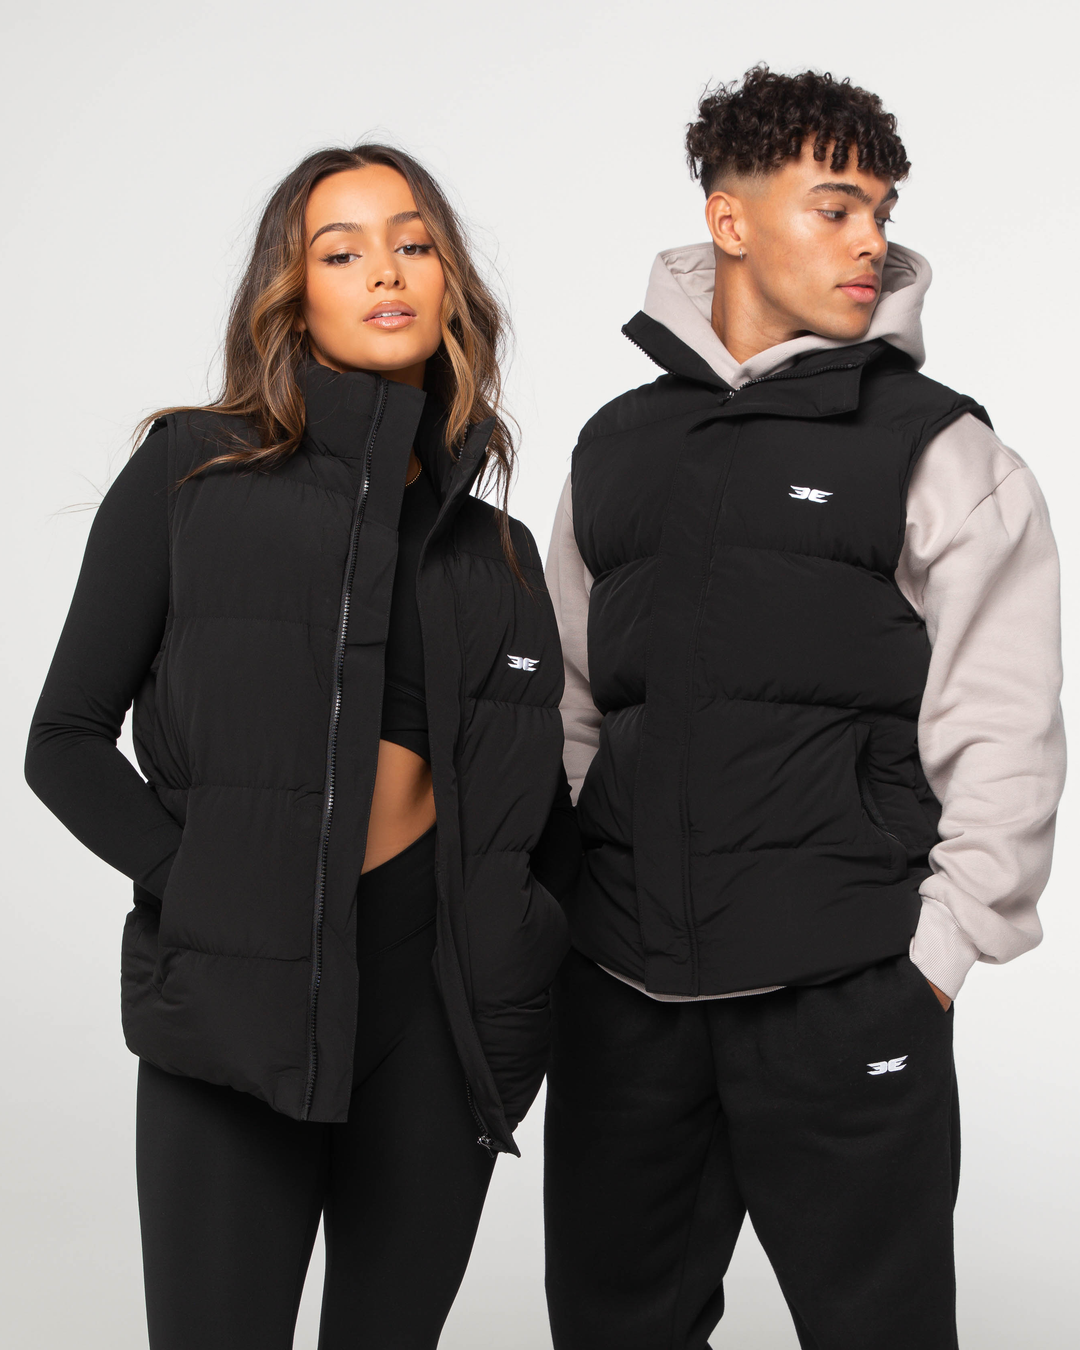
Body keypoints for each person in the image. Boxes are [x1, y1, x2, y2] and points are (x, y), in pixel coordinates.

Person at [543, 66, 1064, 1350]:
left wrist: (936, 959)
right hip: (625, 996)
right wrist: (576, 913)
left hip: (845, 989)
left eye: (880, 211)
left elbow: (1004, 725)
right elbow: (569, 707)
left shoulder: (941, 449)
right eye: (834, 208)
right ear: (728, 219)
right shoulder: (615, 446)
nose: (870, 240)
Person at [25, 143, 575, 1350]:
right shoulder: (192, 471)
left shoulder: (499, 555)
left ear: (449, 282)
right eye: (342, 251)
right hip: (237, 1001)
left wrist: (532, 950)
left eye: (413, 244)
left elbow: (539, 809)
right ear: (293, 292)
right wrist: (205, 886)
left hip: (435, 1019)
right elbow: (62, 742)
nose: (386, 271)